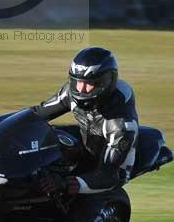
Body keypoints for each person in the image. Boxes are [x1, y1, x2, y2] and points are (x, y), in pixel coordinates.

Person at [31, 46, 139, 198]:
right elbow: (37, 113)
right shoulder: (71, 92)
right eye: (77, 82)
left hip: (110, 172)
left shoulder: (120, 124)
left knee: (73, 215)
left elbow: (108, 175)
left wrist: (64, 183)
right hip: (86, 143)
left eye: (89, 83)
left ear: (105, 82)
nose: (81, 89)